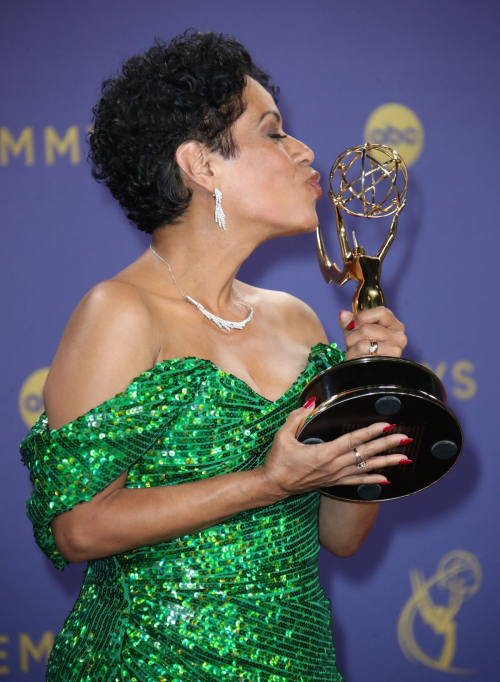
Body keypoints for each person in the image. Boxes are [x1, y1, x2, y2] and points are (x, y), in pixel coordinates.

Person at [20, 30, 409, 681]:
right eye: (274, 132)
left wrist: (366, 387)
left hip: (300, 661)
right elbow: (78, 528)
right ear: (202, 165)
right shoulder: (118, 312)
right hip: (147, 666)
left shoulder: (297, 319)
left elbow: (342, 535)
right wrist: (266, 482)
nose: (304, 150)